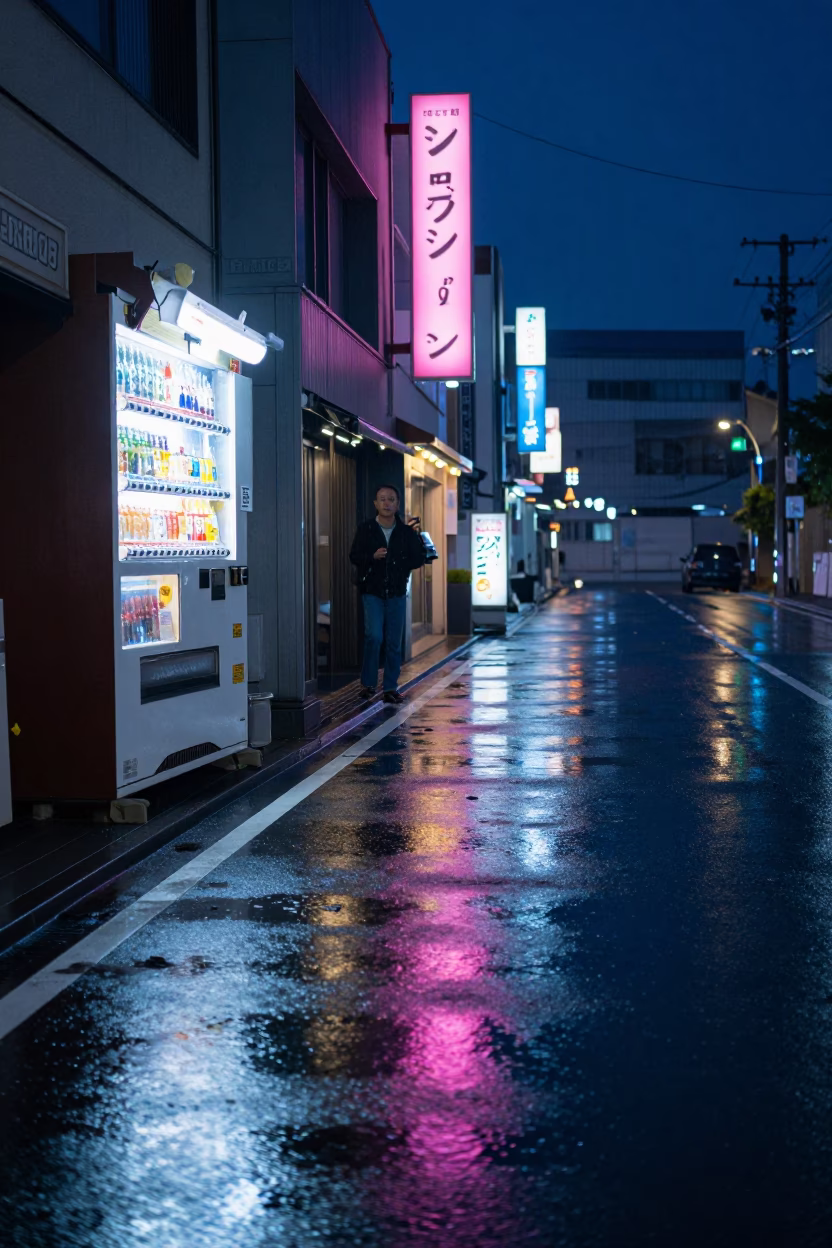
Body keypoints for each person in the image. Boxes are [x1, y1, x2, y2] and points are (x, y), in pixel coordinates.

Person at [350, 484, 426, 704]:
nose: (386, 503)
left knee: (394, 641)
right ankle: (368, 684)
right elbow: (354, 555)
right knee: (374, 636)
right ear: (375, 504)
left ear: (397, 504)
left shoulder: (405, 532)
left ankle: (391, 687)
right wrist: (372, 556)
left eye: (391, 499)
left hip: (396, 592)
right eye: (382, 499)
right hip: (372, 591)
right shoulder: (366, 529)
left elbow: (419, 557)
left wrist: (399, 561)